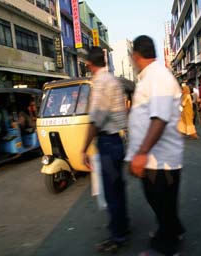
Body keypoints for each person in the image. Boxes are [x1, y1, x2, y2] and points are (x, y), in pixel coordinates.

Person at [126, 35, 185, 256]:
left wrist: (141, 154)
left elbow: (159, 118)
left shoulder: (158, 76)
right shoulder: (149, 77)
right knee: (161, 202)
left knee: (161, 202)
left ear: (135, 55)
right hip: (154, 157)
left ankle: (166, 249)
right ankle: (173, 230)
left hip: (161, 159)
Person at [81, 47, 129, 253]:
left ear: (90, 64)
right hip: (117, 141)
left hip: (107, 144)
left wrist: (83, 148)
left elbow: (96, 120)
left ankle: (117, 236)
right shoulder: (114, 80)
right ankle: (123, 227)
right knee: (118, 188)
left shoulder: (100, 83)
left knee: (112, 192)